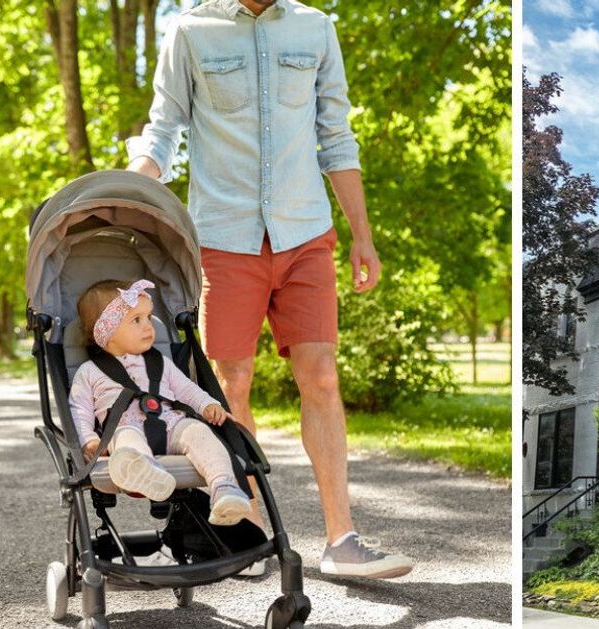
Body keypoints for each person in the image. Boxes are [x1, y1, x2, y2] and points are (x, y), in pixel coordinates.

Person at [125, 0, 412, 578]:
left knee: (323, 376)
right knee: (232, 384)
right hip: (225, 241)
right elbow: (163, 129)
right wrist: (130, 188)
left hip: (305, 233)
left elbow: (336, 134)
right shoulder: (189, 31)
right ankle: (247, 528)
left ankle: (342, 538)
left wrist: (363, 236)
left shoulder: (316, 28)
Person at [69, 279, 253, 526]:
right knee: (126, 441)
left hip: (171, 425)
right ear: (107, 331)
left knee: (199, 432)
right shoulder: (89, 372)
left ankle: (225, 487)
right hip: (124, 427)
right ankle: (145, 472)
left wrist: (207, 405)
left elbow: (187, 390)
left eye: (149, 317)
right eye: (137, 320)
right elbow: (79, 410)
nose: (149, 326)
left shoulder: (160, 363)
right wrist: (89, 440)